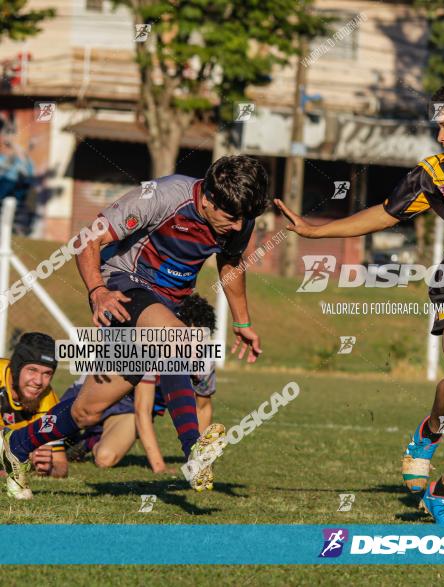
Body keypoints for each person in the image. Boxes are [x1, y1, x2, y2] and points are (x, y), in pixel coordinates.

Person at [275, 80, 444, 526]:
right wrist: (315, 230)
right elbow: (385, 211)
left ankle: (442, 493)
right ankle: (430, 428)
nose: (440, 136)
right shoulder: (435, 172)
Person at [0, 155, 269, 499]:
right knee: (175, 340)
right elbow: (88, 240)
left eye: (244, 219)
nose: (238, 227)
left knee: (86, 410)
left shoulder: (238, 218)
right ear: (208, 198)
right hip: (123, 287)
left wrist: (243, 321)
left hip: (165, 307)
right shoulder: (162, 196)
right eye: (231, 218)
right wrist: (97, 292)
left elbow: (231, 264)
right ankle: (194, 450)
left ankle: (17, 445)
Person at [64, 294, 219, 472]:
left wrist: (201, 457)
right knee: (51, 444)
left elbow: (203, 407)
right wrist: (159, 467)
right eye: (187, 338)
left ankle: (89, 441)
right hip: (93, 392)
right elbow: (143, 410)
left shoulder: (204, 356)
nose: (193, 347)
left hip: (126, 407)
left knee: (105, 458)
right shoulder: (155, 343)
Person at [0, 333, 68, 493]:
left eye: (47, 373)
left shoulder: (48, 402)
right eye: (32, 370)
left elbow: (62, 466)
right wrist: (21, 447)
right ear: (16, 368)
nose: (38, 381)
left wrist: (48, 466)